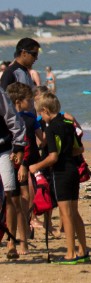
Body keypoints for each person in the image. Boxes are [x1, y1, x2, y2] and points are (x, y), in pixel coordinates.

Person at [28, 92, 88, 263]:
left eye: (41, 113)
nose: (41, 117)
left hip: (61, 173)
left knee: (66, 214)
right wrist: (66, 153)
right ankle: (83, 250)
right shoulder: (69, 124)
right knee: (74, 213)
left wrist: (36, 167)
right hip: (73, 170)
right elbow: (80, 149)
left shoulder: (51, 127)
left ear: (46, 110)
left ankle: (70, 253)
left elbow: (53, 156)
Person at [1, 37, 39, 258]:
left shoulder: (22, 73)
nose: (35, 58)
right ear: (23, 52)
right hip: (16, 140)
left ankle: (17, 241)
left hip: (16, 141)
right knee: (17, 194)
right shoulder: (11, 74)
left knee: (17, 194)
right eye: (33, 54)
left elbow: (13, 118)